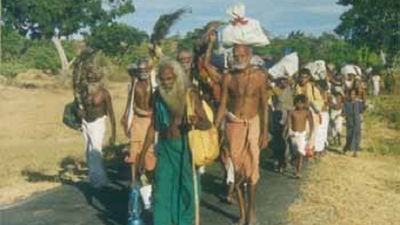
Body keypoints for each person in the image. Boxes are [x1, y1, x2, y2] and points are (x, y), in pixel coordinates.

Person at [139, 58, 211, 225]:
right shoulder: (157, 95)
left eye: (169, 79)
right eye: (162, 79)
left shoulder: (190, 94)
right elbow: (154, 126)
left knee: (188, 189)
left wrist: (195, 122)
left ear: (177, 77)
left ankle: (185, 221)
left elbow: (206, 123)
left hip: (185, 148)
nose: (166, 83)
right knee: (162, 190)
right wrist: (143, 153)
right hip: (165, 148)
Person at [215, 44, 269, 225]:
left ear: (250, 55)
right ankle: (242, 213)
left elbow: (264, 105)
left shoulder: (260, 76)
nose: (238, 58)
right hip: (234, 125)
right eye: (235, 56)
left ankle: (251, 211)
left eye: (242, 55)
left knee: (252, 171)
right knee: (237, 172)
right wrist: (214, 129)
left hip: (253, 124)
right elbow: (223, 104)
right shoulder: (228, 77)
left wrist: (264, 131)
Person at [78, 62, 116, 189]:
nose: (90, 78)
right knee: (89, 152)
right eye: (88, 76)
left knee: (96, 151)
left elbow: (111, 113)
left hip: (98, 123)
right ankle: (93, 179)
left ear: (98, 78)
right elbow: (78, 106)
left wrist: (114, 133)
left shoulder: (104, 93)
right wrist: (79, 113)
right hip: (85, 123)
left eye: (93, 76)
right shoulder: (83, 91)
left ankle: (101, 181)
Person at [121, 58, 156, 185]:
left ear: (149, 70)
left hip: (151, 121)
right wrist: (125, 115)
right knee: (134, 150)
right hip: (137, 120)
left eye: (145, 69)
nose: (143, 72)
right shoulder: (134, 83)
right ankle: (134, 180)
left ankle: (150, 179)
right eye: (140, 70)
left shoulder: (154, 83)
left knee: (150, 151)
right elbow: (130, 100)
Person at [295, 68, 323, 152]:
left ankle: (309, 151)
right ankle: (299, 152)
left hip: (311, 114)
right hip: (298, 114)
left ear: (309, 78)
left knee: (311, 132)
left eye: (305, 77)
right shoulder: (295, 87)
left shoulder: (313, 88)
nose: (303, 79)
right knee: (299, 134)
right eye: (301, 77)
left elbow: (320, 101)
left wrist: (311, 103)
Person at [286, 94, 313, 178]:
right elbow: (288, 123)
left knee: (300, 153)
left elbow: (311, 124)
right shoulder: (292, 112)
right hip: (293, 134)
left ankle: (298, 171)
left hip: (302, 134)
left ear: (304, 104)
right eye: (298, 103)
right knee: (293, 152)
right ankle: (293, 164)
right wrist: (287, 132)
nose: (299, 105)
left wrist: (310, 133)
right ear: (295, 103)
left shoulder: (307, 112)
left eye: (301, 103)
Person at [271, 77, 293, 172]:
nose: (283, 82)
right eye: (281, 80)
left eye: (285, 80)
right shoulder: (275, 90)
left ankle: (284, 162)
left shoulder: (289, 92)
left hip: (285, 118)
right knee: (276, 140)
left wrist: (288, 124)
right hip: (276, 116)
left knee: (285, 141)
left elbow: (290, 110)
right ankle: (278, 161)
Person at [342, 89, 364, 157]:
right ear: (349, 95)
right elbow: (344, 112)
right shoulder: (346, 103)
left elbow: (361, 110)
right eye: (351, 94)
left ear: (356, 95)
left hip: (357, 121)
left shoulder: (358, 103)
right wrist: (343, 115)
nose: (352, 96)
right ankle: (346, 148)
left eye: (353, 94)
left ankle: (355, 151)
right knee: (349, 136)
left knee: (357, 136)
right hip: (350, 121)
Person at [314, 80, 330, 157]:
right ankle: (317, 150)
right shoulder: (315, 94)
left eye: (317, 86)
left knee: (322, 133)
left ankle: (320, 150)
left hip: (323, 114)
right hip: (318, 113)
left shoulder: (325, 94)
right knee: (317, 132)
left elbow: (326, 103)